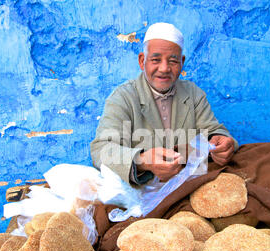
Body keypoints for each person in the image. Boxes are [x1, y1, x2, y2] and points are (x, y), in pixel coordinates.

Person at [90, 22, 238, 185]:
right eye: (155, 59)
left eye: (173, 61)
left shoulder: (193, 94)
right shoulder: (123, 97)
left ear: (181, 62)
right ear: (142, 61)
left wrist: (221, 141)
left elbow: (212, 130)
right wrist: (142, 160)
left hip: (187, 184)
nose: (164, 68)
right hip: (142, 192)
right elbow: (101, 150)